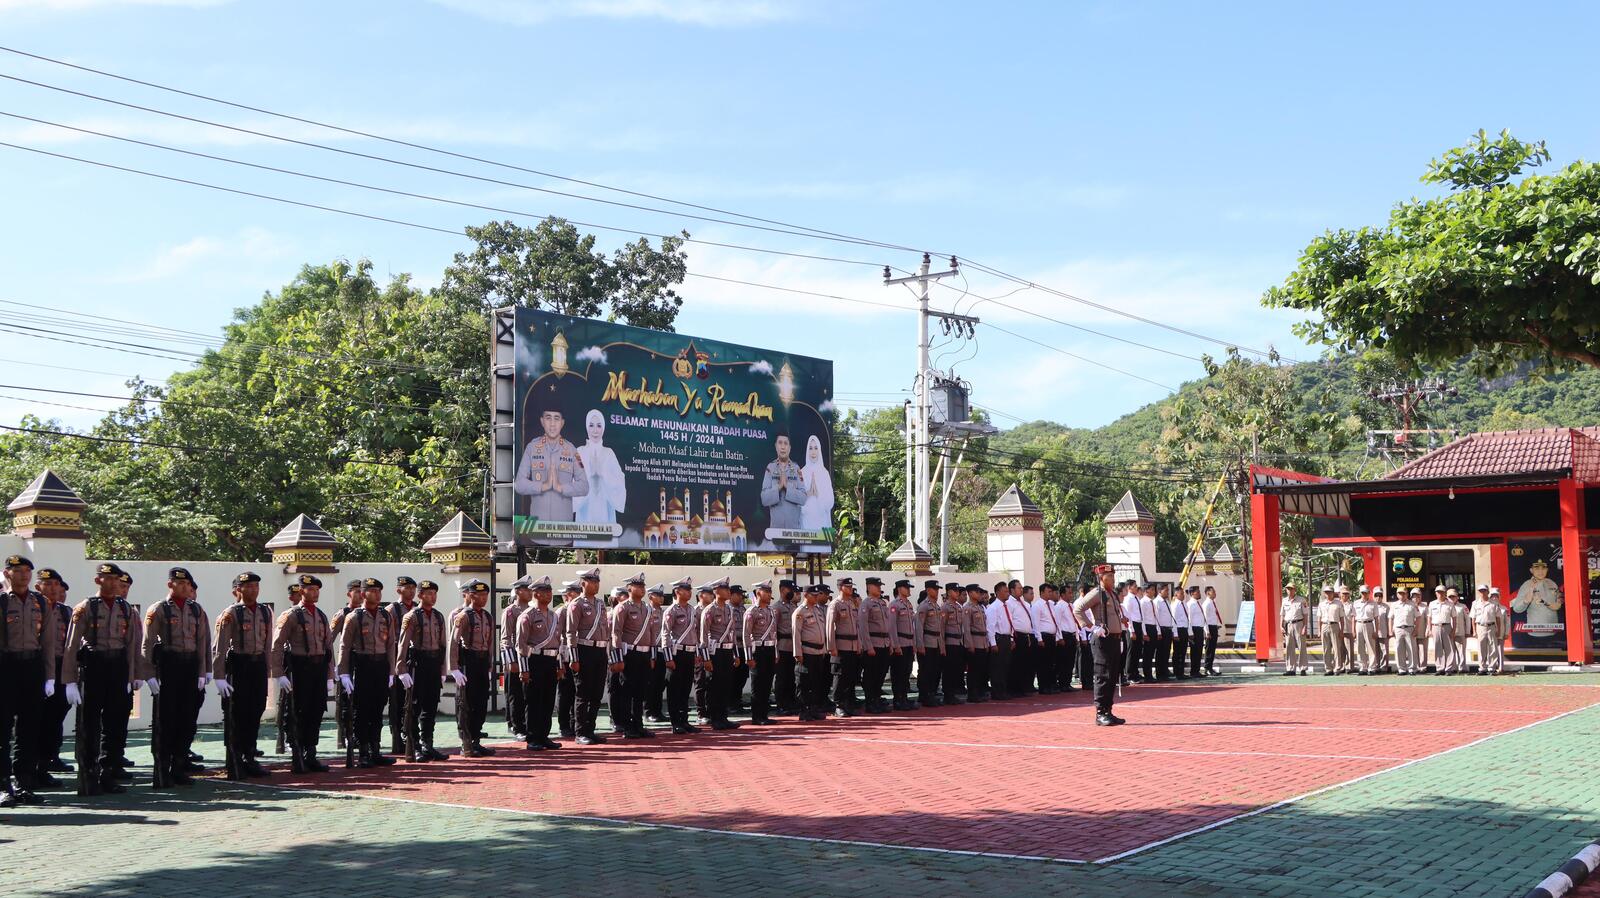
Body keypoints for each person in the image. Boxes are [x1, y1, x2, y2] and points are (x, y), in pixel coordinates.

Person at [60, 563, 142, 794]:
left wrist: (133, 676)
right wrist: (69, 680)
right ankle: (88, 774)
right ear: (98, 581)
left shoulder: (126, 608)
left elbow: (132, 646)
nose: (114, 583)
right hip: (93, 666)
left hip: (118, 667)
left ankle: (109, 772)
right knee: (89, 724)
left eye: (117, 579)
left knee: (115, 723)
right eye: (109, 578)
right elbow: (71, 645)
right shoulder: (86, 607)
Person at [142, 567, 211, 786]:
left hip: (190, 666)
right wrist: (149, 674)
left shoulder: (196, 610)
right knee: (166, 720)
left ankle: (179, 766)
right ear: (170, 584)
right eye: (180, 583)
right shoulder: (159, 609)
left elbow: (203, 643)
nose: (184, 587)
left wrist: (203, 671)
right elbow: (148, 643)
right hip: (168, 666)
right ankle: (162, 769)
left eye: (187, 584)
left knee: (187, 719)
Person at [1, 555, 58, 806]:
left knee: (29, 729)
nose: (24, 575)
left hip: (32, 667)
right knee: (2, 729)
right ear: (7, 573)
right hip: (6, 667)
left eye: (27, 570)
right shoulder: (2, 601)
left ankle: (24, 783)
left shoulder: (40, 602)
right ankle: (3, 785)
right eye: (18, 570)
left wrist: (49, 676)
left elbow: (48, 642)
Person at [269, 574, 334, 774]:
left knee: (316, 710)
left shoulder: (321, 615)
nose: (315, 593)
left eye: (317, 589)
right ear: (301, 590)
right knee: (298, 711)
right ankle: (297, 752)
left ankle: (310, 753)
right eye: (311, 589)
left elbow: (328, 647)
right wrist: (278, 674)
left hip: (318, 668)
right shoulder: (291, 615)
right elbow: (277, 645)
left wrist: (330, 675)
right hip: (299, 668)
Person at [212, 571, 272, 778]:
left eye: (256, 586)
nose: (254, 590)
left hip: (257, 666)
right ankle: (235, 759)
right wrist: (219, 676)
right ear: (239, 589)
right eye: (249, 586)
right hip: (239, 666)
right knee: (237, 714)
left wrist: (269, 670)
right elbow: (219, 647)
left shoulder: (264, 612)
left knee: (256, 710)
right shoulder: (231, 613)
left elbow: (268, 644)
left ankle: (249, 756)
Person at [337, 578, 398, 768]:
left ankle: (375, 750)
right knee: (362, 710)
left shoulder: (385, 615)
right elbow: (345, 646)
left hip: (381, 666)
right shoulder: (354, 617)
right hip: (362, 665)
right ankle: (363, 752)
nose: (378, 595)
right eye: (373, 591)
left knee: (378, 709)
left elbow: (391, 644)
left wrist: (391, 671)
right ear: (363, 594)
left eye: (379, 591)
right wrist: (343, 673)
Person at [396, 579, 449, 761]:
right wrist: (401, 669)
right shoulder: (411, 616)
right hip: (418, 665)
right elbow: (403, 644)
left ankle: (428, 744)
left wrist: (443, 669)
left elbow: (443, 645)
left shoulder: (438, 616)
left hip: (434, 664)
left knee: (431, 706)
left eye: (434, 593)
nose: (432, 597)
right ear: (420, 595)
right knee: (414, 706)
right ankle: (415, 746)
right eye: (428, 594)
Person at [32, 567, 73, 787]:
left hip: (59, 669)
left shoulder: (66, 612)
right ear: (38, 586)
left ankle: (45, 765)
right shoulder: (31, 609)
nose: (53, 588)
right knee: (33, 720)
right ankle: (28, 770)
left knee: (54, 719)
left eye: (56, 584)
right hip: (35, 668)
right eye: (48, 584)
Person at [513, 408, 589, 524]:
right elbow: (519, 485)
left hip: (563, 529)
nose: (552, 424)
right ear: (542, 421)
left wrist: (561, 487)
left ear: (562, 423)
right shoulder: (531, 448)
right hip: (538, 529)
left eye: (556, 418)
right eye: (548, 418)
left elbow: (584, 487)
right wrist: (543, 486)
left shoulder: (572, 450)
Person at [1072, 564, 1125, 727]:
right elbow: (1078, 609)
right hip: (1103, 640)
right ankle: (1100, 713)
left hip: (1114, 639)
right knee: (1103, 676)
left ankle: (1108, 710)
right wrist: (1092, 626)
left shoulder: (1112, 594)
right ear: (1101, 578)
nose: (1113, 579)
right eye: (1109, 577)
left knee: (1112, 676)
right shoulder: (1097, 593)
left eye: (1113, 576)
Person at [609, 572, 656, 739]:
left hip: (644, 654)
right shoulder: (622, 608)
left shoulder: (647, 608)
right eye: (638, 586)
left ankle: (638, 724)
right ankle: (627, 726)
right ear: (629, 589)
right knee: (627, 691)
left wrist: (652, 656)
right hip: (629, 653)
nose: (642, 589)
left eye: (643, 586)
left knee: (640, 691)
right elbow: (616, 633)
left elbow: (651, 633)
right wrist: (618, 658)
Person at [694, 577, 740, 731]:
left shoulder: (729, 610)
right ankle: (715, 718)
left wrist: (736, 654)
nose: (728, 592)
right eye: (725, 589)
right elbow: (703, 637)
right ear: (717, 591)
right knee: (715, 685)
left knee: (726, 684)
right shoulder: (709, 610)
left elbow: (732, 634)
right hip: (715, 652)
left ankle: (723, 717)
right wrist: (706, 659)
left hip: (727, 650)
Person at [573, 409, 626, 536]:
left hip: (605, 512)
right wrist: (589, 472)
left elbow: (620, 481)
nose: (595, 430)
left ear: (603, 428)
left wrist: (603, 474)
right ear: (587, 427)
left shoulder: (609, 453)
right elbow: (573, 482)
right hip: (585, 512)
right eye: (591, 425)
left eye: (599, 425)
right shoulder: (579, 452)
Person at [659, 576, 701, 734]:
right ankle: (676, 722)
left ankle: (684, 720)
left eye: (690, 589)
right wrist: (668, 657)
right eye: (686, 589)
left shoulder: (692, 610)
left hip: (689, 652)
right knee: (675, 689)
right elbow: (665, 634)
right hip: (676, 654)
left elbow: (695, 633)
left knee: (685, 688)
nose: (690, 592)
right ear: (677, 591)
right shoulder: (671, 610)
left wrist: (697, 652)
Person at [385, 576, 418, 755]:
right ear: (399, 590)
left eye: (413, 588)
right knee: (397, 701)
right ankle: (397, 736)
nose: (411, 591)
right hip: (397, 659)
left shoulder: (417, 608)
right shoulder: (392, 609)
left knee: (413, 700)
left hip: (414, 660)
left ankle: (411, 735)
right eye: (407, 588)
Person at [500, 575, 534, 742]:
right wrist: (511, 661)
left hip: (529, 656)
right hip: (515, 657)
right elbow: (505, 639)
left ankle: (528, 725)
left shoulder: (532, 610)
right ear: (518, 591)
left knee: (529, 694)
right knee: (515, 694)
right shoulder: (510, 611)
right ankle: (516, 726)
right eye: (527, 589)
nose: (530, 592)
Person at [742, 581, 780, 725]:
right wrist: (748, 656)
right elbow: (746, 635)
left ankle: (764, 714)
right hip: (758, 650)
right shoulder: (751, 611)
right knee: (757, 684)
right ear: (758, 593)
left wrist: (776, 652)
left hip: (769, 649)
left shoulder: (771, 611)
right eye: (766, 592)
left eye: (770, 591)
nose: (769, 594)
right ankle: (757, 716)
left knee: (767, 683)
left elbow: (774, 633)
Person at [827, 578, 866, 717]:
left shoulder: (851, 604)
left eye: (851, 586)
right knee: (840, 676)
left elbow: (857, 626)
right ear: (841, 587)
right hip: (841, 645)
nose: (850, 588)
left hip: (853, 646)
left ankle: (848, 704)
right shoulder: (835, 604)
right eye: (847, 586)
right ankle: (838, 705)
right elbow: (830, 626)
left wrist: (859, 644)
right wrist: (831, 646)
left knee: (851, 677)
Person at [792, 584, 831, 721]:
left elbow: (821, 631)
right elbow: (796, 634)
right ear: (805, 595)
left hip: (818, 651)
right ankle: (804, 710)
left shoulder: (817, 610)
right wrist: (798, 653)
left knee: (816, 682)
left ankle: (814, 709)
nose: (816, 597)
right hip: (806, 652)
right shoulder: (800, 612)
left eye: (817, 595)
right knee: (804, 683)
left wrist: (824, 649)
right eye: (813, 595)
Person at [857, 577, 892, 713]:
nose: (879, 588)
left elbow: (888, 625)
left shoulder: (882, 604)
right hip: (873, 644)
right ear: (869, 587)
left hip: (884, 644)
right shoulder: (866, 604)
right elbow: (863, 627)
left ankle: (877, 699)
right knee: (871, 675)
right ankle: (870, 701)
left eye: (879, 586)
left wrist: (890, 643)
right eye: (876, 586)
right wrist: (868, 646)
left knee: (881, 673)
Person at [760, 434, 806, 532]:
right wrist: (779, 486)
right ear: (776, 446)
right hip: (775, 532)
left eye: (786, 443)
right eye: (780, 443)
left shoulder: (796, 468)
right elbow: (764, 499)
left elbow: (803, 498)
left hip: (794, 532)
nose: (783, 447)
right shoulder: (770, 468)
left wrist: (787, 487)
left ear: (789, 447)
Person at [886, 579, 918, 710]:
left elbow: (912, 627)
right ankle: (898, 699)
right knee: (898, 673)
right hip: (900, 643)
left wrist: (914, 643)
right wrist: (895, 644)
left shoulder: (908, 604)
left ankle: (904, 697)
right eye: (907, 587)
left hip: (909, 643)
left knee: (906, 672)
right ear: (899, 589)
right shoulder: (894, 605)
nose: (909, 590)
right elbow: (892, 627)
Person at [915, 580, 945, 706]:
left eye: (937, 589)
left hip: (936, 642)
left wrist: (942, 645)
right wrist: (920, 645)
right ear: (928, 590)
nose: (937, 591)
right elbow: (919, 626)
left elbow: (940, 628)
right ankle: (924, 695)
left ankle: (931, 693)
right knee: (926, 670)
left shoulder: (936, 606)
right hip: (927, 642)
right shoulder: (924, 606)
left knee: (934, 670)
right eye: (934, 589)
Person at [1510, 559, 1562, 628]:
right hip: (1535, 630)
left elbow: (1558, 605)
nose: (1540, 571)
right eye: (1537, 568)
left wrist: (1544, 602)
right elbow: (1516, 609)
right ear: (1531, 570)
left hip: (1553, 629)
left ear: (1547, 570)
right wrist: (1525, 601)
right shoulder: (1527, 585)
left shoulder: (1552, 583)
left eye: (1543, 568)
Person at [643, 584, 669, 723]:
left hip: (662, 651)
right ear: (650, 596)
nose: (661, 598)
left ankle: (657, 711)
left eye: (662, 595)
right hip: (651, 652)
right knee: (650, 683)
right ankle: (648, 712)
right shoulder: (647, 611)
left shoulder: (663, 612)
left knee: (660, 683)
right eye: (658, 595)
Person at [985, 580, 1014, 700]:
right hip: (998, 639)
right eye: (1005, 591)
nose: (1008, 593)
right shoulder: (993, 608)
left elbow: (1010, 623)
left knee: (1005, 665)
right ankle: (997, 692)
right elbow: (990, 627)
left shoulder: (1007, 606)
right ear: (998, 592)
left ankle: (1003, 690)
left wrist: (1011, 638)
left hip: (1006, 638)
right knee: (997, 667)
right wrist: (993, 643)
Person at [963, 584, 993, 702]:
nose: (979, 594)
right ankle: (972, 694)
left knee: (981, 669)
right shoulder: (967, 608)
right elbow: (966, 628)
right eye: (977, 592)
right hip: (974, 641)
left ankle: (980, 691)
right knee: (973, 670)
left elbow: (984, 627)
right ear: (970, 593)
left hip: (982, 641)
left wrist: (987, 642)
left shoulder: (980, 608)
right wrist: (969, 644)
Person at [1049, 583, 1081, 691]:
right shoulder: (1059, 606)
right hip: (1064, 636)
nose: (1071, 595)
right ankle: (1062, 683)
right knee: (1063, 661)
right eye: (1069, 593)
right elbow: (1057, 623)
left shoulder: (1071, 606)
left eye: (1072, 593)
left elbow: (1074, 622)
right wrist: (1059, 637)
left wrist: (1077, 636)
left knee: (1070, 661)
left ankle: (1067, 683)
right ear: (1062, 594)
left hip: (1072, 635)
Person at [774, 580, 799, 715]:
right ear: (783, 590)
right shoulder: (776, 607)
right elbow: (773, 631)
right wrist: (775, 651)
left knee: (791, 677)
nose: (792, 593)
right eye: (790, 590)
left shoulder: (794, 607)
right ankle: (781, 704)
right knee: (782, 677)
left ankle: (790, 702)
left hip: (793, 647)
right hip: (782, 646)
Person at [1029, 584, 1059, 694]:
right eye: (1048, 591)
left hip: (1051, 637)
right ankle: (1043, 686)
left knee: (1051, 662)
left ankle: (1050, 684)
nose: (1050, 593)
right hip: (1043, 637)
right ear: (1042, 592)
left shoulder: (1051, 604)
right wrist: (1039, 639)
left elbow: (1055, 621)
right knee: (1043, 663)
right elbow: (1036, 623)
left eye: (1051, 591)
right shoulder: (1037, 605)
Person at [1473, 586, 1507, 676]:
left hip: (1491, 626)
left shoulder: (1494, 603)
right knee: (1481, 648)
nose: (1482, 592)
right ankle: (1482, 668)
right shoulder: (1475, 603)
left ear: (1488, 592)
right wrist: (1474, 631)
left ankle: (1492, 668)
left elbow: (1498, 618)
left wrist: (1498, 629)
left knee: (1493, 648)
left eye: (1484, 591)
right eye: (1481, 591)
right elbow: (1473, 618)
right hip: (1480, 627)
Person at [1390, 587, 1421, 676]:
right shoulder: (1394, 605)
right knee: (1399, 649)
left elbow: (1418, 617)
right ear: (1397, 595)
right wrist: (1390, 630)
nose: (1402, 595)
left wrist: (1416, 629)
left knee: (1411, 649)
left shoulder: (1412, 604)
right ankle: (1401, 669)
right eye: (1400, 593)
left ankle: (1412, 669)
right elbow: (1390, 618)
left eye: (1404, 593)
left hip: (1409, 629)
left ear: (1407, 594)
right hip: (1398, 629)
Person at [1317, 585, 1346, 675]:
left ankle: (1337, 668)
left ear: (1333, 593)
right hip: (1324, 625)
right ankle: (1328, 668)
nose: (1328, 594)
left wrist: (1342, 630)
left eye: (1329, 592)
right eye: (1326, 592)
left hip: (1335, 625)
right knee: (1326, 649)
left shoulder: (1338, 603)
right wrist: (1319, 630)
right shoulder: (1321, 604)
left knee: (1336, 648)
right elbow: (1319, 618)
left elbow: (1342, 618)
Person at [1280, 584, 1309, 676]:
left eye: (1291, 589)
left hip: (1299, 624)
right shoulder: (1284, 600)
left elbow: (1305, 615)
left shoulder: (1301, 600)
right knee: (1289, 647)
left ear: (1295, 590)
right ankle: (1290, 669)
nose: (1289, 590)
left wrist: (1305, 626)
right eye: (1288, 589)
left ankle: (1303, 668)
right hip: (1288, 625)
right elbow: (1282, 614)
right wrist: (1281, 626)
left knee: (1301, 646)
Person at [1119, 580, 1144, 685]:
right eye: (1134, 586)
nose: (1136, 587)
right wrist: (1132, 630)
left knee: (1137, 651)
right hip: (1132, 626)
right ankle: (1129, 674)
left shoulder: (1136, 598)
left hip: (1138, 624)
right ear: (1129, 587)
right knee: (1131, 651)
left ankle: (1135, 672)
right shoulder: (1128, 599)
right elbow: (1128, 616)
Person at [1353, 587, 1382, 676]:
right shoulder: (1356, 603)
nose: (1364, 594)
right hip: (1359, 624)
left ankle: (1372, 668)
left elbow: (1376, 618)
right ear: (1360, 593)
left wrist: (1376, 631)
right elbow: (1353, 617)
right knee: (1360, 647)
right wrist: (1353, 630)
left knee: (1371, 647)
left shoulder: (1373, 604)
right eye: (1362, 593)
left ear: (1369, 593)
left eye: (1366, 592)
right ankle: (1363, 667)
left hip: (1369, 624)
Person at [1428, 587, 1456, 677]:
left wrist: (1453, 630)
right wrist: (1429, 629)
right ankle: (1440, 668)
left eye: (1442, 592)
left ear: (1445, 593)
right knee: (1438, 648)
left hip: (1447, 626)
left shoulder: (1450, 604)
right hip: (1435, 627)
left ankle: (1448, 669)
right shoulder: (1432, 604)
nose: (1440, 594)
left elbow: (1454, 618)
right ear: (1436, 593)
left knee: (1449, 649)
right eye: (1438, 592)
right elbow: (1429, 617)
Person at [1167, 584, 1190, 681]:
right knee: (1177, 653)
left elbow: (1187, 619)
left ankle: (1181, 672)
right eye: (1181, 593)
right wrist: (1175, 634)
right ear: (1176, 595)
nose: (1183, 595)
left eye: (1183, 593)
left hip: (1184, 629)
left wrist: (1189, 631)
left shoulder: (1184, 604)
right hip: (1178, 630)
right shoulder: (1174, 605)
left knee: (1183, 652)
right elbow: (1173, 620)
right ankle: (1177, 672)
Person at [1200, 585, 1223, 676]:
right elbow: (1204, 619)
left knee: (1212, 649)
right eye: (1213, 592)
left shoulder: (1212, 602)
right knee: (1209, 649)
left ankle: (1210, 667)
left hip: (1213, 627)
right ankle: (1207, 668)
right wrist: (1207, 631)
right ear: (1208, 593)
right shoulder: (1206, 604)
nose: (1215, 593)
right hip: (1209, 628)